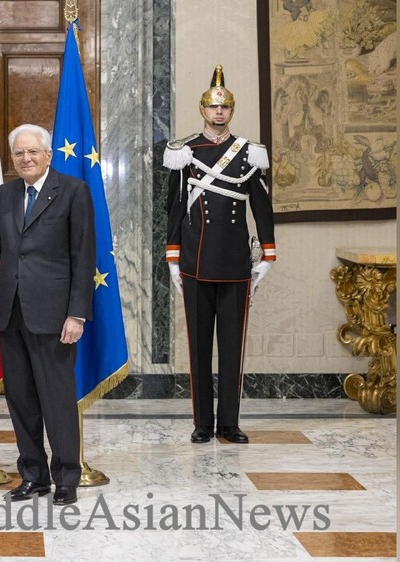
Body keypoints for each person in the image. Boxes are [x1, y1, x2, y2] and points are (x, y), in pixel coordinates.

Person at [0, 124, 96, 506]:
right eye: (19, 153)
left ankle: (66, 478)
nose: (26, 158)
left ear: (48, 155)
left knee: (57, 401)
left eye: (33, 152)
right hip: (11, 313)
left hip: (54, 316)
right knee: (21, 400)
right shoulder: (7, 193)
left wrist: (77, 314)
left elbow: (83, 256)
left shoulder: (73, 191)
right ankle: (34, 476)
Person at [163, 64, 277, 444]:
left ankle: (229, 423)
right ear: (202, 109)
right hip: (196, 262)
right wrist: (173, 258)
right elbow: (174, 208)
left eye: (224, 107)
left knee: (232, 348)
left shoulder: (250, 152)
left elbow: (261, 207)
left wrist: (267, 255)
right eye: (213, 107)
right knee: (199, 348)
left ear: (231, 110)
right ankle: (202, 424)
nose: (218, 112)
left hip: (235, 263)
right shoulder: (185, 152)